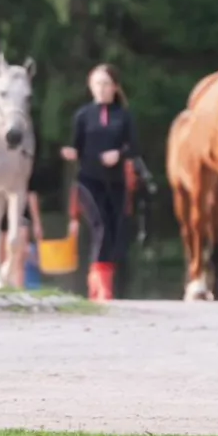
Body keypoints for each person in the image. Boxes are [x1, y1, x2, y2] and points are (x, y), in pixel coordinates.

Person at [61, 63, 144, 301]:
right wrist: (70, 152)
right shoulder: (83, 116)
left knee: (114, 230)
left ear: (115, 87)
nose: (102, 88)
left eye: (106, 83)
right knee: (101, 226)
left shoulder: (124, 116)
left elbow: (135, 147)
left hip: (115, 182)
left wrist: (119, 154)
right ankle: (102, 284)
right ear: (90, 86)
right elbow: (75, 145)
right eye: (97, 83)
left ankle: (98, 281)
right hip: (89, 180)